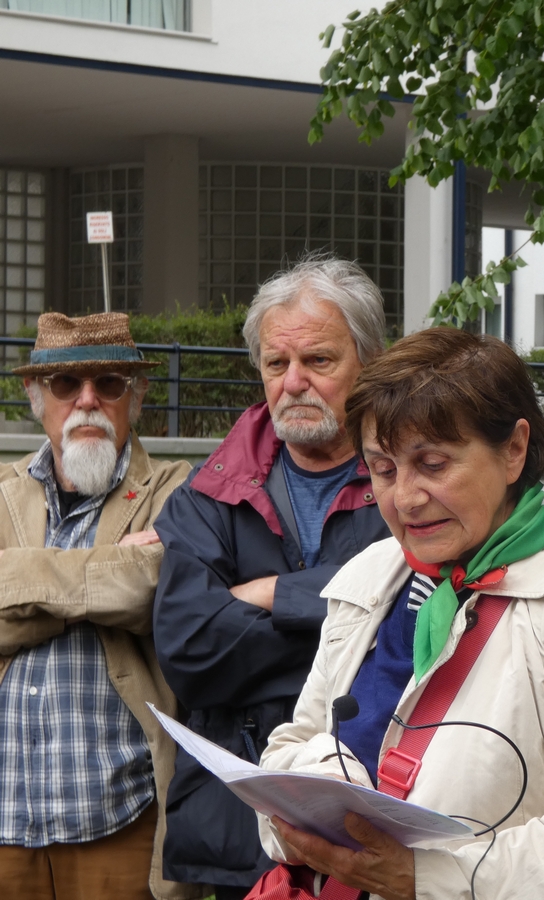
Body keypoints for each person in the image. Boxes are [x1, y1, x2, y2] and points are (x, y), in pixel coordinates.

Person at [255, 328, 544, 900]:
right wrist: (316, 798)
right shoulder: (373, 573)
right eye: (383, 469)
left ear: (514, 450)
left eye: (432, 464)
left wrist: (424, 876)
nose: (405, 498)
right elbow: (293, 745)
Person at [152, 256, 393, 897]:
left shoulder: (412, 482)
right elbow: (189, 653)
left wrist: (271, 594)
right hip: (239, 823)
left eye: (318, 360)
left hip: (383, 809)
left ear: (368, 361)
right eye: (275, 363)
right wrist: (345, 628)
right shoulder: (207, 493)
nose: (293, 382)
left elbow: (416, 620)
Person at [0, 313, 197, 900]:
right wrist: (103, 578)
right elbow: (122, 584)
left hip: (118, 815)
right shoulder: (2, 491)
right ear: (36, 395)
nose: (87, 400)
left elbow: (148, 589)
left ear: (135, 396)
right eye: (66, 383)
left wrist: (19, 579)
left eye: (108, 383)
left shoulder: (174, 487)